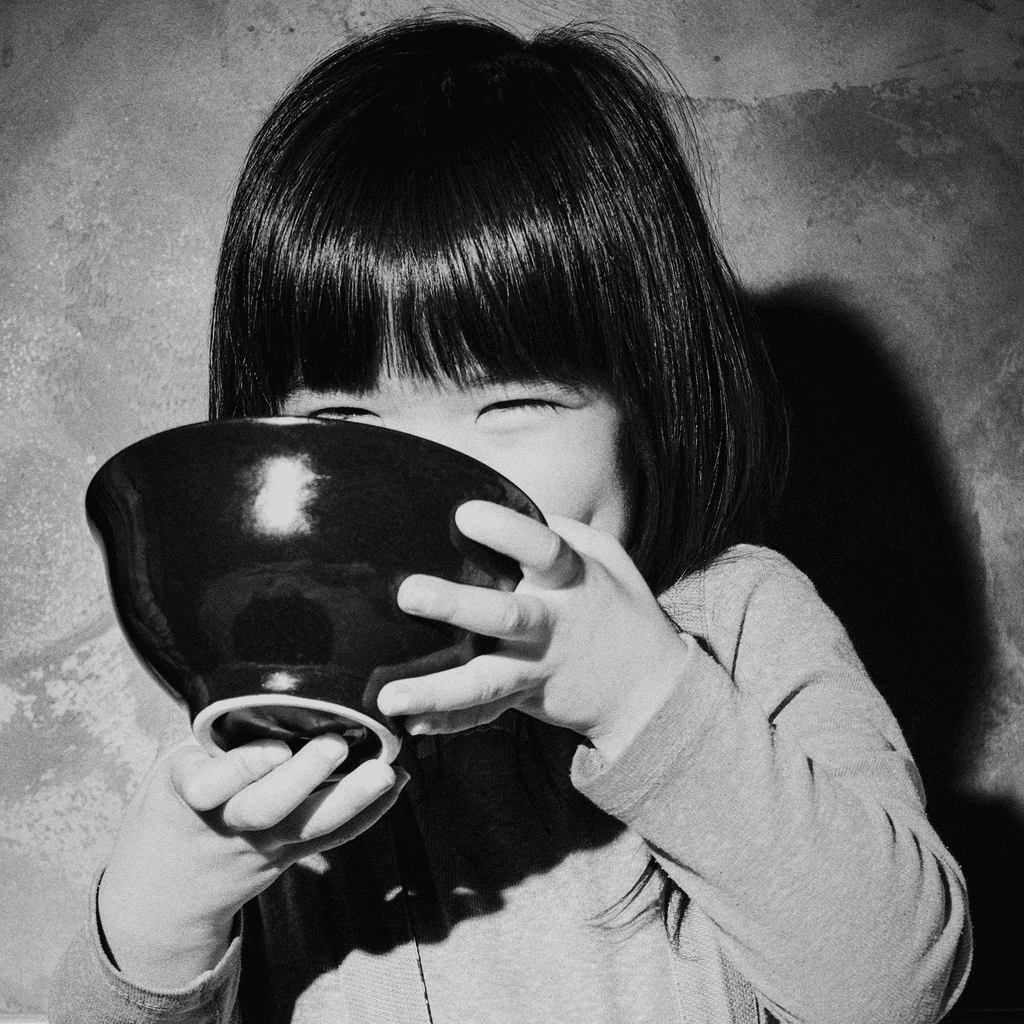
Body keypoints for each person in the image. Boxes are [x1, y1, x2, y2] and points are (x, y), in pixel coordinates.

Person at [51, 15, 971, 1024]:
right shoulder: (281, 707)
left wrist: (643, 701)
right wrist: (163, 914)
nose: (426, 474)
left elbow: (896, 990)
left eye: (511, 405)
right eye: (347, 419)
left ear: (644, 408)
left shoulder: (739, 617)